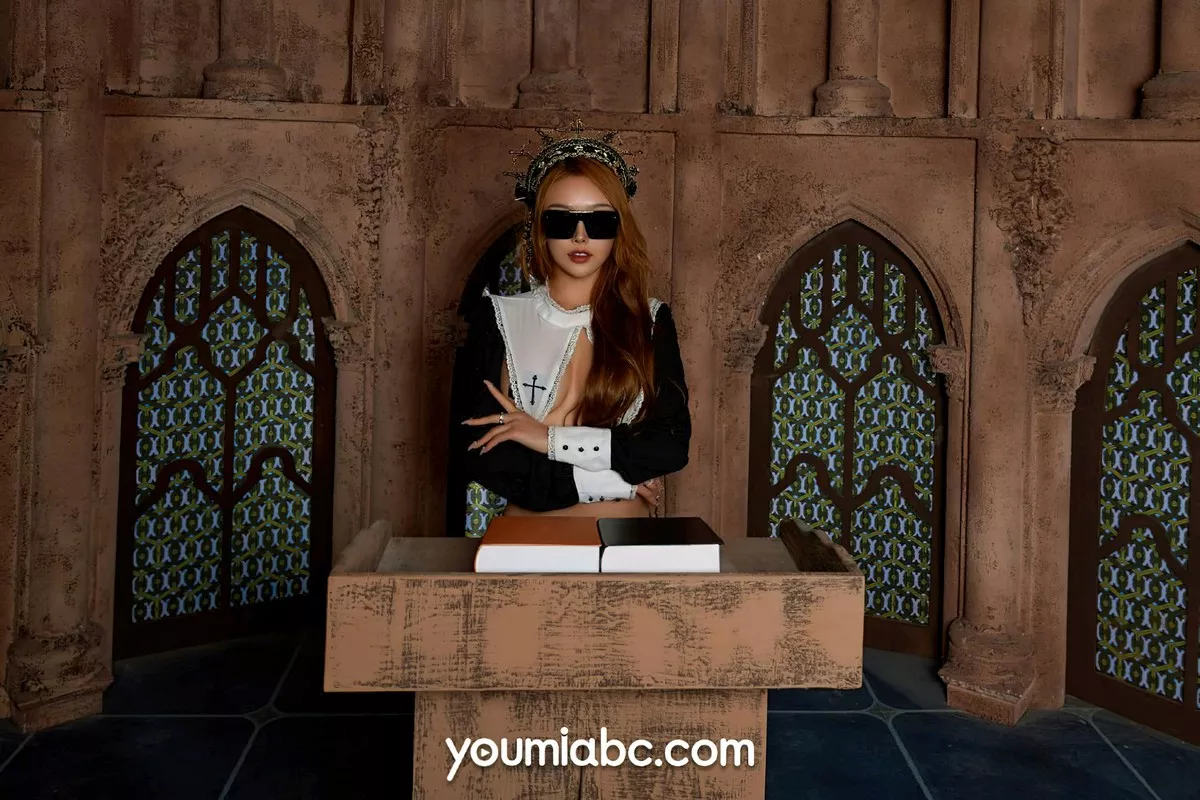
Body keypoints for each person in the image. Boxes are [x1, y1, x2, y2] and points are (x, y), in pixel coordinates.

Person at [452, 124, 690, 518]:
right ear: (538, 228)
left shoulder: (650, 321)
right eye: (562, 221)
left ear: (620, 229)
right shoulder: (498, 318)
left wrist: (547, 439)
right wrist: (615, 481)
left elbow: (669, 447)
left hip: (623, 540)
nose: (580, 236)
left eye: (599, 221)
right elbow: (481, 454)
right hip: (527, 536)